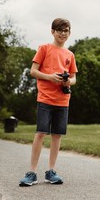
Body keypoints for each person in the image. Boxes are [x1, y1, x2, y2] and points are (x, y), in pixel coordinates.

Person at [19, 18, 77, 186]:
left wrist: (68, 82)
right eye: (60, 30)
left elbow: (74, 77)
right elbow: (33, 71)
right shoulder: (44, 49)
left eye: (66, 31)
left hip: (63, 100)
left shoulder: (70, 55)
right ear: (52, 31)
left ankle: (51, 171)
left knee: (57, 135)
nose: (63, 33)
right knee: (41, 133)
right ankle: (31, 172)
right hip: (45, 98)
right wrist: (50, 77)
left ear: (69, 33)